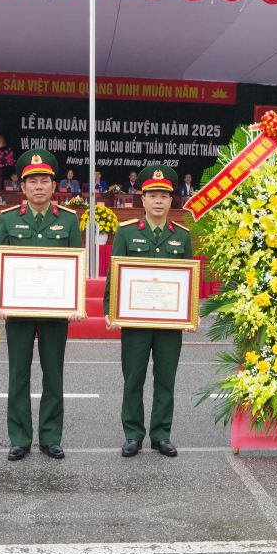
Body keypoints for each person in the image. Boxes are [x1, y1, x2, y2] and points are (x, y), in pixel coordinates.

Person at [0, 149, 84, 461]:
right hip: (17, 312)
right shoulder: (8, 219)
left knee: (53, 374)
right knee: (18, 375)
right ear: (23, 187)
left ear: (54, 186)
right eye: (33, 181)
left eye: (45, 180)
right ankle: (19, 438)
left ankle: (50, 437)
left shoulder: (69, 221)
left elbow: (77, 266)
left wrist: (76, 303)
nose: (39, 186)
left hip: (56, 313)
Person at [104, 165, 193, 458]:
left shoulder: (181, 236)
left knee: (166, 379)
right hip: (135, 321)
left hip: (169, 322)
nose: (158, 201)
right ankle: (132, 434)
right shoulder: (127, 233)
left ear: (171, 201)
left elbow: (188, 278)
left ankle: (161, 434)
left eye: (164, 196)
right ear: (142, 200)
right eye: (152, 195)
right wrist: (110, 309)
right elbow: (114, 274)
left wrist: (191, 313)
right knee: (134, 378)